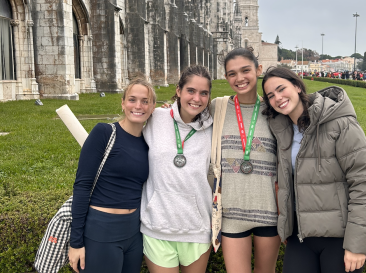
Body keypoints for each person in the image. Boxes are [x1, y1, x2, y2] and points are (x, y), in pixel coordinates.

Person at [261, 67, 366, 273]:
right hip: (300, 238)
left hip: (339, 240)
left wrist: (357, 245)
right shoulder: (281, 129)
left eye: (281, 89)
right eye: (271, 95)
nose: (278, 98)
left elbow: (365, 182)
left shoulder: (340, 123)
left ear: (297, 86)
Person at [68, 77, 157, 273]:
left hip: (134, 234)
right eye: (132, 99)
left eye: (145, 101)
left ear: (152, 107)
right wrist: (76, 242)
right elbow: (82, 186)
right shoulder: (104, 132)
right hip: (101, 231)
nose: (138, 106)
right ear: (123, 103)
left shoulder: (150, 143)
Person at [140, 65, 213, 273]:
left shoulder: (213, 128)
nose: (196, 98)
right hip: (157, 226)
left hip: (197, 228)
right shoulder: (155, 118)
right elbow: (126, 132)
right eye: (191, 90)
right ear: (179, 91)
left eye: (203, 93)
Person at [213, 47, 281, 273]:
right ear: (226, 77)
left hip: (269, 212)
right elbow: (186, 114)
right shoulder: (217, 107)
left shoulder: (275, 111)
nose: (239, 78)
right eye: (232, 73)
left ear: (258, 69)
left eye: (245, 70)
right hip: (231, 213)